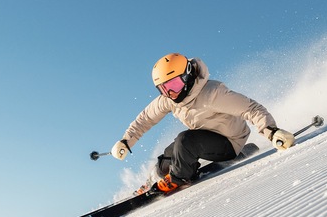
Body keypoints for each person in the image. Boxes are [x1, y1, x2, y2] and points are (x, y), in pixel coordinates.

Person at [111, 53, 296, 192]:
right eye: (163, 88)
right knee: (170, 153)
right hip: (203, 137)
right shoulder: (169, 100)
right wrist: (126, 141)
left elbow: (251, 109)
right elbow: (145, 119)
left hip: (230, 141)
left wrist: (272, 131)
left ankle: (178, 179)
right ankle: (151, 181)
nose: (170, 93)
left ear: (187, 75)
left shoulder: (212, 93)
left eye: (173, 85)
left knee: (185, 142)